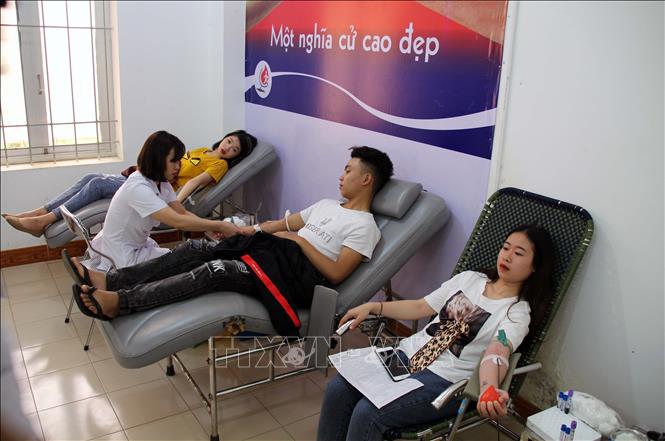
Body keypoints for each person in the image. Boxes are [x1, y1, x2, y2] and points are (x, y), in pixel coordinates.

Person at [63, 146, 394, 335]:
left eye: (348, 170)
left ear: (366, 179)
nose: (341, 175)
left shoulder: (365, 227)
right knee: (195, 248)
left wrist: (299, 241)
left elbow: (335, 274)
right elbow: (278, 225)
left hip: (296, 279)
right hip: (273, 254)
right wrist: (242, 231)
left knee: (216, 271)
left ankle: (121, 302)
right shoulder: (326, 205)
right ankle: (111, 279)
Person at [317, 224, 556, 441]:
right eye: (505, 247)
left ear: (535, 267)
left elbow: (498, 350)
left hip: (444, 380)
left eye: (519, 253)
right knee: (338, 389)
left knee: (368, 413)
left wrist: (489, 387)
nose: (507, 256)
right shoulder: (470, 279)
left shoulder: (517, 311)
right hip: (406, 355)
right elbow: (421, 306)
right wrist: (372, 307)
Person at [1, 129, 257, 237]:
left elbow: (193, 184)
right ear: (224, 137)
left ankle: (43, 219)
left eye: (234, 149)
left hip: (163, 189)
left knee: (96, 185)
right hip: (153, 181)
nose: (228, 147)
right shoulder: (202, 150)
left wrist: (174, 204)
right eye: (229, 141)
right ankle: (41, 214)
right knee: (91, 178)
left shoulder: (219, 165)